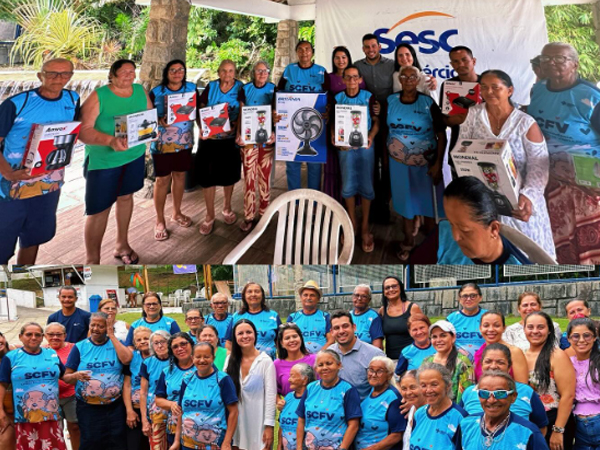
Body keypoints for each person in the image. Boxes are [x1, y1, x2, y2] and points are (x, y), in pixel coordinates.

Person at [457, 69, 555, 258]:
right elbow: (462, 149)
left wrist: (528, 197)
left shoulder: (525, 123)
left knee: (527, 255)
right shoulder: (474, 115)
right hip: (486, 200)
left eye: (496, 87)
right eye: (484, 87)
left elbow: (539, 166)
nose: (489, 92)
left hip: (520, 203)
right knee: (492, 253)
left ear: (509, 90)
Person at [0, 58, 80, 264]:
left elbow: (73, 132)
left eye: (65, 74)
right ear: (40, 75)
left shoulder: (72, 99)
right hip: (11, 188)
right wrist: (8, 173)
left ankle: (22, 278)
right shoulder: (17, 104)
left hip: (48, 186)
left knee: (33, 238)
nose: (58, 79)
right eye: (52, 73)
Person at [528, 42, 600, 264]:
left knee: (591, 243)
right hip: (549, 179)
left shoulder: (590, 97)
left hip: (586, 183)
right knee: (558, 240)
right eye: (546, 59)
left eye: (559, 59)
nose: (551, 63)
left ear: (575, 64)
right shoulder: (538, 90)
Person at [79, 59, 152, 264]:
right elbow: (83, 131)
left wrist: (151, 131)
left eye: (132, 71)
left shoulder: (140, 91)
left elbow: (148, 117)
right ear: (112, 74)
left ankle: (122, 244)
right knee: (99, 209)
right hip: (103, 162)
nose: (129, 75)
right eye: (124, 72)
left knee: (126, 197)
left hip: (133, 156)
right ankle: (92, 259)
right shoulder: (99, 95)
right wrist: (110, 141)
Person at [387, 65, 446, 260]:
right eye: (404, 76)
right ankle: (408, 241)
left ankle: (429, 245)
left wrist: (438, 163)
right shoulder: (390, 101)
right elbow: (383, 133)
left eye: (413, 77)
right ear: (400, 80)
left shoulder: (428, 103)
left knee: (428, 206)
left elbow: (441, 135)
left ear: (418, 80)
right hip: (398, 164)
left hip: (426, 165)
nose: (408, 80)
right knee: (405, 205)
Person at [64, 312, 133, 450]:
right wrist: (75, 376)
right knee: (91, 441)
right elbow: (66, 377)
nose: (95, 329)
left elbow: (126, 359)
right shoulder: (80, 347)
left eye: (100, 326)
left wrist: (111, 335)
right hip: (88, 407)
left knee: (117, 440)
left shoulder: (116, 344)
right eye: (93, 325)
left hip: (115, 406)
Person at [0, 323, 69, 450]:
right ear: (20, 337)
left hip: (51, 416)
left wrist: (78, 376)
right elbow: (2, 385)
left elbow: (64, 377)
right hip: (25, 417)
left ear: (42, 337)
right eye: (28, 334)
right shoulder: (11, 357)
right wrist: (0, 411)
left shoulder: (51, 354)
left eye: (37, 335)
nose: (33, 337)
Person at [333, 65, 379, 253]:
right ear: (343, 79)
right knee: (348, 183)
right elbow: (334, 123)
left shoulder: (369, 97)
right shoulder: (337, 98)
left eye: (355, 77)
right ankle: (351, 221)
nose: (351, 81)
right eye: (348, 77)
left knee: (367, 184)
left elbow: (376, 121)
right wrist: (334, 138)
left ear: (360, 79)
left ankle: (365, 225)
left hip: (365, 146)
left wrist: (371, 136)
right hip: (344, 147)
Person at [149, 59, 196, 241]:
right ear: (166, 73)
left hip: (184, 142)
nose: (177, 73)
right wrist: (159, 120)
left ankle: (176, 213)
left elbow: (199, 111)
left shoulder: (191, 88)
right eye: (173, 70)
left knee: (180, 177)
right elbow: (146, 116)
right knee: (161, 180)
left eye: (181, 70)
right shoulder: (156, 92)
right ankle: (159, 220)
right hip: (161, 144)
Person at [195, 59, 243, 235]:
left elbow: (245, 110)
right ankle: (209, 216)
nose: (227, 75)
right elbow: (199, 109)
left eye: (230, 71)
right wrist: (201, 127)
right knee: (208, 178)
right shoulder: (211, 86)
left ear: (235, 72)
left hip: (230, 140)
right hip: (209, 140)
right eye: (224, 71)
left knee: (228, 175)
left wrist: (238, 125)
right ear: (218, 72)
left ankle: (227, 208)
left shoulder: (240, 87)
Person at [439, 176, 533, 264]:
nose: (455, 237)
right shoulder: (442, 233)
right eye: (451, 223)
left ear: (493, 229)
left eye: (465, 230)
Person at [459, 343, 548, 432]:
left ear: (509, 367)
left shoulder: (526, 391)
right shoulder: (469, 392)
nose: (493, 366)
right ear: (481, 365)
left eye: (500, 362)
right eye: (488, 361)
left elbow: (541, 427)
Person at [277, 40, 329, 191]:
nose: (304, 52)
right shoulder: (289, 70)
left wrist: (328, 110)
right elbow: (279, 92)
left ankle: (314, 202)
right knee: (292, 163)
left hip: (315, 122)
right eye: (300, 49)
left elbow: (328, 95)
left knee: (314, 164)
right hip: (292, 122)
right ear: (296, 52)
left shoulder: (321, 71)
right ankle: (294, 202)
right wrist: (277, 112)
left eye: (307, 49)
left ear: (312, 52)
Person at [453, 371, 550, 450]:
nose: (491, 400)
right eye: (484, 393)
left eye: (500, 394)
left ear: (513, 397)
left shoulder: (528, 432)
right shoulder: (465, 424)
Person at [355, 34, 395, 223]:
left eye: (373, 46)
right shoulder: (357, 66)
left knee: (386, 165)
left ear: (379, 46)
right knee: (370, 165)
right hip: (366, 122)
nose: (371, 49)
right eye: (367, 47)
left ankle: (385, 205)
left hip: (388, 121)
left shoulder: (392, 64)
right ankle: (369, 206)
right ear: (363, 49)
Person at [170, 342, 239, 450]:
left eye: (206, 356)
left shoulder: (222, 379)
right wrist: (177, 441)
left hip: (214, 445)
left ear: (213, 358)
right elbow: (180, 411)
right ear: (192, 358)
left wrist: (227, 441)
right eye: (198, 357)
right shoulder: (187, 379)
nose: (202, 360)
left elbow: (233, 412)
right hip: (188, 445)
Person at [525, 311, 576, 450]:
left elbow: (568, 395)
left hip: (554, 419)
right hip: (531, 421)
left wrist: (558, 430)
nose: (535, 331)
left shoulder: (556, 355)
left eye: (540, 327)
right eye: (530, 327)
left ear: (549, 330)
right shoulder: (521, 355)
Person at [236, 61, 276, 232]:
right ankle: (249, 216)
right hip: (249, 141)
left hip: (266, 141)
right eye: (259, 71)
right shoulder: (245, 89)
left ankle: (264, 214)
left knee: (265, 178)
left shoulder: (274, 89)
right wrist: (239, 134)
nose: (262, 74)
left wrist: (275, 132)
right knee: (249, 178)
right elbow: (241, 113)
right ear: (254, 73)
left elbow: (277, 113)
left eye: (265, 71)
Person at [224, 319, 277, 450]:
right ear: (235, 337)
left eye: (249, 332)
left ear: (255, 335)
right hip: (235, 424)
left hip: (258, 424)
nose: (245, 336)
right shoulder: (230, 360)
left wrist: (269, 426)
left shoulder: (265, 361)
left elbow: (271, 396)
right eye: (240, 333)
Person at [296, 349, 362, 450]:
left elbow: (353, 425)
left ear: (339, 365)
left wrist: (342, 448)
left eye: (329, 363)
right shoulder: (311, 388)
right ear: (316, 369)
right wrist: (299, 447)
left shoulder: (347, 390)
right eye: (320, 365)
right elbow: (301, 419)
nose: (325, 368)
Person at [325, 46, 366, 203]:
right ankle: (333, 201)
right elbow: (325, 99)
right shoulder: (328, 78)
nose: (340, 60)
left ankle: (352, 203)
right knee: (334, 165)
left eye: (344, 57)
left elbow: (364, 103)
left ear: (349, 59)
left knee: (351, 166)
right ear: (333, 60)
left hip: (355, 129)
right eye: (337, 57)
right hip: (335, 126)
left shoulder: (358, 80)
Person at [439, 46, 481, 174]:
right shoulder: (448, 85)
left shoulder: (488, 84)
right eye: (456, 61)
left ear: (473, 61)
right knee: (462, 192)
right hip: (459, 150)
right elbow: (444, 117)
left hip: (485, 149)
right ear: (451, 65)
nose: (460, 64)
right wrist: (451, 121)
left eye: (464, 60)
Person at [329, 310, 385, 400]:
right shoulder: (329, 354)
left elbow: (387, 387)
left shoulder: (374, 354)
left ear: (354, 327)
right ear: (331, 332)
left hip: (364, 409)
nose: (341, 331)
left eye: (345, 326)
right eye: (336, 328)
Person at [409, 362, 467, 449]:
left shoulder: (460, 418)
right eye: (423, 385)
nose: (428, 390)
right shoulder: (419, 414)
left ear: (448, 386)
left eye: (434, 384)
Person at [154, 333, 196, 447]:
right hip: (174, 426)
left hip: (199, 429)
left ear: (192, 345)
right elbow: (158, 400)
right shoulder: (167, 372)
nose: (180, 348)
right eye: (175, 347)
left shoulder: (203, 367)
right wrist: (171, 404)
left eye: (183, 344)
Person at [355, 356, 406, 450]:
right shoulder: (372, 390)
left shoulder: (392, 398)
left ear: (389, 375)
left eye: (379, 371)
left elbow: (397, 435)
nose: (373, 375)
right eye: (371, 370)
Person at [44, 322, 80, 450]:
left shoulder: (74, 348)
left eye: (58, 334)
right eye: (51, 334)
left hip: (71, 395)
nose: (55, 337)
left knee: (75, 427)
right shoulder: (42, 351)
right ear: (45, 336)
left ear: (65, 335)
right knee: (54, 431)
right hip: (50, 398)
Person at [566, 318, 600, 450]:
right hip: (579, 426)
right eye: (576, 336)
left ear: (594, 337)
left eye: (587, 335)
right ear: (568, 339)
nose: (581, 340)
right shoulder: (567, 363)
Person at [423, 320, 475, 404]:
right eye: (434, 337)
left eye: (443, 336)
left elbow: (466, 394)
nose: (438, 340)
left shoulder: (463, 362)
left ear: (453, 337)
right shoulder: (427, 361)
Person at [226, 282, 281, 359]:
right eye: (249, 292)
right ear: (244, 296)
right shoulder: (236, 316)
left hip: (269, 364)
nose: (253, 294)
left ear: (262, 295)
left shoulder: (273, 315)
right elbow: (229, 343)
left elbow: (281, 341)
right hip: (244, 364)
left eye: (257, 291)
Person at [474, 311, 529, 383]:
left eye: (496, 325)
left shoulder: (514, 352)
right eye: (486, 325)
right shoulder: (479, 353)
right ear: (480, 328)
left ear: (504, 328)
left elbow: (522, 386)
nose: (491, 329)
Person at [140, 330, 171, 450]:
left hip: (175, 411)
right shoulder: (148, 363)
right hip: (155, 414)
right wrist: (144, 420)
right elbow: (143, 392)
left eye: (163, 341)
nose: (160, 345)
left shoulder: (177, 360)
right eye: (156, 343)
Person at [379, 276, 423, 360]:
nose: (391, 290)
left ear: (400, 288)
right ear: (384, 292)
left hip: (412, 358)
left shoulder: (412, 308)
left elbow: (423, 332)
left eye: (394, 286)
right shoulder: (382, 311)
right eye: (387, 288)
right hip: (391, 360)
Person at [124, 326, 152, 450]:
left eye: (146, 338)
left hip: (156, 411)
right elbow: (127, 385)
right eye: (138, 340)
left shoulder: (161, 357)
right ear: (134, 343)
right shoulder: (132, 358)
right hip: (136, 411)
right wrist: (129, 411)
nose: (142, 341)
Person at [286, 280, 333, 354]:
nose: (308, 297)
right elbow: (286, 340)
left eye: (312, 295)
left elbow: (331, 340)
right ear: (301, 298)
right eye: (305, 295)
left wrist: (319, 354)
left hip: (319, 360)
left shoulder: (325, 317)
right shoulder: (292, 317)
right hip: (299, 360)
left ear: (318, 299)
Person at [278, 363, 315, 450]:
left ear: (304, 380)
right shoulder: (288, 397)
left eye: (293, 376)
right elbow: (281, 425)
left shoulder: (312, 399)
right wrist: (279, 446)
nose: (289, 380)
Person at [274, 323, 316, 396]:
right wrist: (278, 401)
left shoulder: (315, 359)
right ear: (281, 343)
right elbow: (273, 389)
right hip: (290, 406)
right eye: (287, 338)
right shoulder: (276, 364)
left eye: (295, 336)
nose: (292, 340)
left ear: (301, 338)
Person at [447, 283, 487, 359]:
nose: (468, 299)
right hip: (458, 363)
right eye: (465, 296)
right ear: (459, 299)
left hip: (485, 361)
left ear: (480, 297)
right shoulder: (451, 319)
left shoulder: (488, 316)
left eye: (473, 296)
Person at [398, 370, 425, 450]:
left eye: (413, 387)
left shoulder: (432, 413)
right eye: (404, 389)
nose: (408, 393)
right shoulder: (412, 408)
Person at [0, 331, 14, 450]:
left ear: (3, 337)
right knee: (6, 440)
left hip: (23, 409)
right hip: (3, 410)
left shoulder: (17, 352)